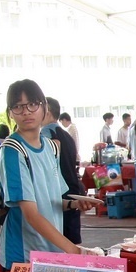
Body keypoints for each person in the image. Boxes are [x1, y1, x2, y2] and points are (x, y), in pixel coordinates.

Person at [0, 80, 97, 272]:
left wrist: (74, 204)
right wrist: (74, 250)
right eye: (18, 106)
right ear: (10, 112)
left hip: (52, 253)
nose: (26, 112)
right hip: (24, 257)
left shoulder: (50, 147)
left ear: (44, 108)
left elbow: (52, 200)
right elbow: (31, 215)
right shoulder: (12, 151)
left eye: (32, 104)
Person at [43, 97, 87, 243]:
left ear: (47, 112)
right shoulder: (67, 135)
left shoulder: (44, 136)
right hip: (72, 190)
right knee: (70, 245)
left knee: (57, 247)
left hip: (57, 197)